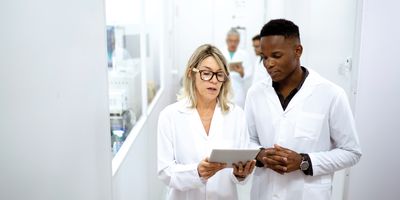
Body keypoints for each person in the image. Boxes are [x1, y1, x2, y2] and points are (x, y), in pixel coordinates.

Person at [245, 19, 362, 200]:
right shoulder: (255, 93)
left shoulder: (331, 94)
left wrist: (304, 162)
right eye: (264, 57)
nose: (268, 64)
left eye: (276, 56)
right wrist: (260, 154)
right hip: (264, 193)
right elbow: (248, 139)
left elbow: (351, 152)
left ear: (297, 51)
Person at [158, 44, 256, 200]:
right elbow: (165, 172)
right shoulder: (170, 116)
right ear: (191, 73)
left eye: (219, 74)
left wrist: (241, 174)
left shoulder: (236, 115)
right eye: (206, 73)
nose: (214, 80)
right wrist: (197, 172)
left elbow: (239, 169)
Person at [221, 28, 251, 108]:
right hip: (223, 90)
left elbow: (249, 74)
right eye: (231, 41)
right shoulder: (220, 53)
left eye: (235, 41)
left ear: (239, 41)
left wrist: (242, 72)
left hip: (238, 92)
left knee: (238, 116)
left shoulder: (245, 55)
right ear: (227, 40)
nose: (233, 43)